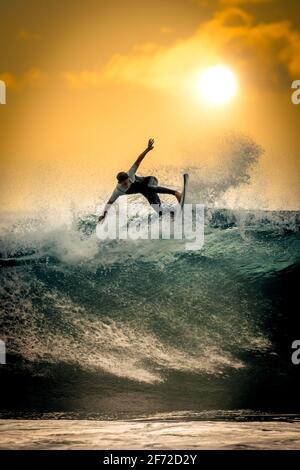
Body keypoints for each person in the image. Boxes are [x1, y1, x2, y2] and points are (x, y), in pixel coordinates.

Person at [98, 138, 182, 223]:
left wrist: (148, 149)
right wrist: (104, 215)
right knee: (159, 211)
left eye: (127, 182)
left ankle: (175, 193)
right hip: (147, 192)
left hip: (151, 181)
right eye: (124, 184)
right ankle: (173, 215)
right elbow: (109, 202)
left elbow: (138, 160)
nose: (127, 184)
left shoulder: (130, 173)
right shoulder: (118, 191)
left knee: (148, 188)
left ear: (128, 177)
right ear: (119, 183)